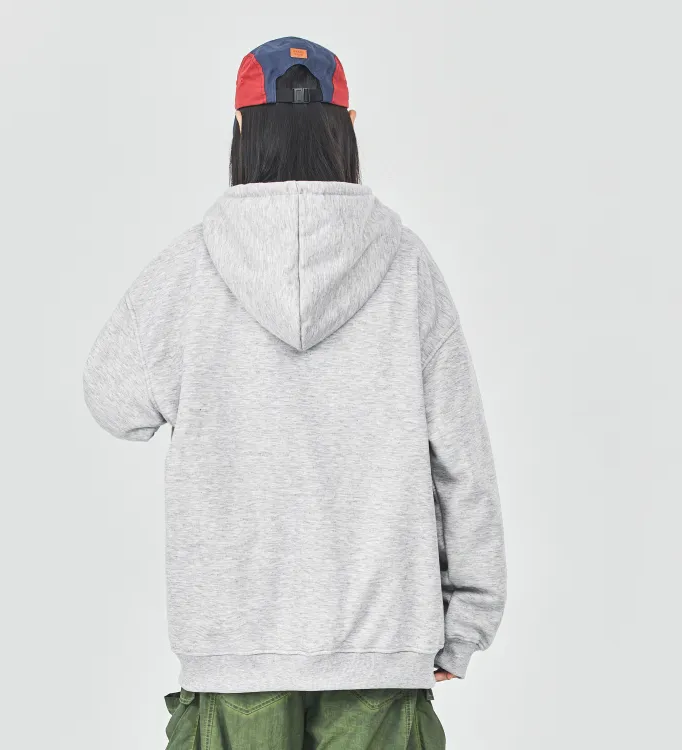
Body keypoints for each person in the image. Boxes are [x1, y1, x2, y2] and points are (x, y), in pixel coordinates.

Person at [84, 35, 506, 750]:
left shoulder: (188, 269)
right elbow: (462, 461)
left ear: (242, 127)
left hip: (233, 651)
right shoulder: (406, 267)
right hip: (382, 649)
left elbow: (112, 401)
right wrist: (465, 622)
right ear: (347, 128)